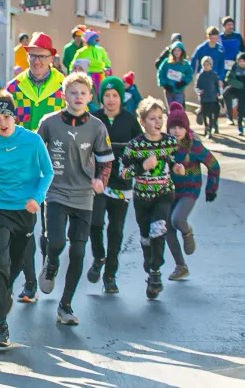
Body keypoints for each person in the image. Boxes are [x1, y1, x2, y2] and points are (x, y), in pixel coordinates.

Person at [0, 90, 53, 347]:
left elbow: (47, 172)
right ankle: (0, 328)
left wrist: (37, 198)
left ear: (14, 116)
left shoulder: (32, 141)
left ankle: (8, 290)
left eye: (7, 116)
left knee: (16, 264)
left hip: (24, 211)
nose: (3, 123)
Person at [35, 72, 113, 325]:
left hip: (84, 195)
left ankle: (65, 305)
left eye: (83, 93)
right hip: (55, 191)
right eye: (73, 92)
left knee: (79, 251)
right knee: (56, 241)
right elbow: (35, 153)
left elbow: (106, 160)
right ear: (64, 95)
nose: (78, 97)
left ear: (90, 97)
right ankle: (51, 263)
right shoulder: (49, 123)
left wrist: (102, 181)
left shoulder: (97, 127)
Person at [5, 32, 66, 304]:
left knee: (50, 229)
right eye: (32, 55)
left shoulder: (65, 87)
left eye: (42, 56)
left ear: (52, 57)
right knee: (25, 226)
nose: (37, 61)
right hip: (22, 165)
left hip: (56, 165)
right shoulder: (14, 88)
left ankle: (49, 265)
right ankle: (30, 283)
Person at [120, 97, 185, 300]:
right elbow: (124, 173)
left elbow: (171, 159)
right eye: (152, 118)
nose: (157, 122)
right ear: (142, 121)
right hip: (142, 197)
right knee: (146, 236)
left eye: (160, 118)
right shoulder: (135, 146)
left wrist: (177, 167)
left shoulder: (169, 141)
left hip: (163, 194)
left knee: (159, 228)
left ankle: (156, 272)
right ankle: (150, 268)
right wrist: (142, 167)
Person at [88, 77, 142, 294]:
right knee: (95, 222)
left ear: (121, 98)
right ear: (101, 97)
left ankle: (110, 275)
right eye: (107, 95)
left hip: (121, 182)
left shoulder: (129, 120)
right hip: (98, 181)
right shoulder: (94, 118)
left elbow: (140, 147)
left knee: (116, 229)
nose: (111, 100)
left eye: (115, 96)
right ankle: (98, 257)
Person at [164, 103, 220, 281]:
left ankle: (187, 232)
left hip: (189, 190)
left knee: (177, 219)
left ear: (186, 128)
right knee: (167, 228)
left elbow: (214, 166)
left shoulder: (194, 146)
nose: (176, 130)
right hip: (170, 191)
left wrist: (211, 188)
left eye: (180, 127)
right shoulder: (165, 145)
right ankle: (181, 266)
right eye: (173, 127)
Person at [220, 17, 245, 124]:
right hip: (225, 68)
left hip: (236, 68)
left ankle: (243, 114)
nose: (231, 27)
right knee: (227, 92)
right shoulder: (220, 37)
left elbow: (243, 51)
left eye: (232, 25)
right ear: (224, 26)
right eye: (228, 25)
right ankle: (229, 117)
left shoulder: (238, 36)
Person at [70, 30, 112, 96]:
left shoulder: (101, 50)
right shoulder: (81, 52)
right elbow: (73, 63)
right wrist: (72, 73)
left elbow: (106, 60)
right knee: (89, 94)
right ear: (88, 39)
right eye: (94, 38)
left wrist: (107, 67)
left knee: (100, 95)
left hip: (100, 75)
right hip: (87, 76)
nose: (97, 39)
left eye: (97, 38)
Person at [157, 41, 193, 106]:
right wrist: (165, 84)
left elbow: (190, 74)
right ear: (172, 52)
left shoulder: (185, 63)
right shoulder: (166, 62)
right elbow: (160, 73)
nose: (177, 52)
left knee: (177, 108)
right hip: (169, 90)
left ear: (182, 52)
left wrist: (184, 82)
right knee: (170, 109)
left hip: (179, 90)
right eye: (175, 50)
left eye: (179, 50)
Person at [194, 57, 222, 137]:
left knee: (211, 114)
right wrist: (199, 91)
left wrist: (218, 93)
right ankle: (206, 127)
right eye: (204, 64)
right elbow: (196, 87)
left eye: (208, 64)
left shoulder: (214, 75)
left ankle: (210, 128)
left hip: (212, 97)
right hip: (203, 98)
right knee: (204, 113)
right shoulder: (200, 75)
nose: (206, 66)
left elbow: (217, 86)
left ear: (211, 65)